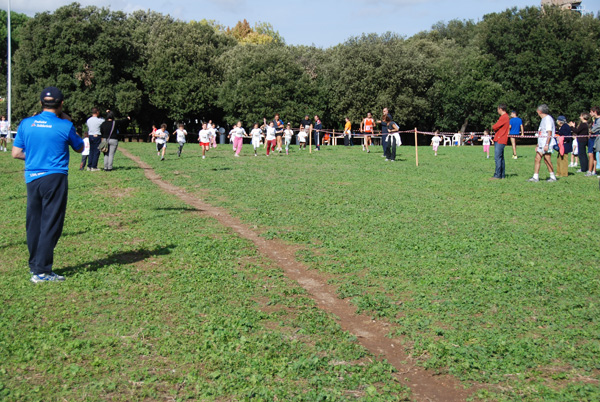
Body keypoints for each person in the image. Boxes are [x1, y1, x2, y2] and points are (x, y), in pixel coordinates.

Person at [12, 87, 84, 282]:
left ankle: (35, 265)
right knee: (51, 222)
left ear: (41, 103)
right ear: (61, 104)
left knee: (34, 222)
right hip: (54, 177)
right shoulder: (64, 125)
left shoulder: (26, 124)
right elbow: (80, 147)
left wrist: (35, 157)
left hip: (32, 177)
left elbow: (16, 153)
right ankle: (42, 271)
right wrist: (69, 122)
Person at [528, 104, 557, 182]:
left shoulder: (548, 119)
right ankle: (535, 177)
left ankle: (552, 176)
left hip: (547, 144)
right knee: (537, 159)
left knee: (547, 159)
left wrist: (547, 144)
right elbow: (541, 132)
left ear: (540, 111)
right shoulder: (543, 119)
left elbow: (549, 132)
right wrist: (538, 144)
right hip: (541, 143)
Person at [490, 104, 510, 180]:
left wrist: (493, 126)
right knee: (501, 158)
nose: (497, 110)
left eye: (498, 109)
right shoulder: (506, 117)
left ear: (501, 109)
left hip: (500, 139)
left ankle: (497, 175)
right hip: (501, 139)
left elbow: (495, 126)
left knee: (498, 157)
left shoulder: (504, 117)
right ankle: (502, 175)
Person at [587, 106, 600, 176]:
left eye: (591, 112)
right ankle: (593, 171)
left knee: (591, 154)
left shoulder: (599, 120)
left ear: (595, 112)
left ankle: (590, 171)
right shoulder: (594, 119)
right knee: (593, 155)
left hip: (596, 139)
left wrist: (590, 131)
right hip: (592, 138)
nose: (590, 113)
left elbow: (595, 128)